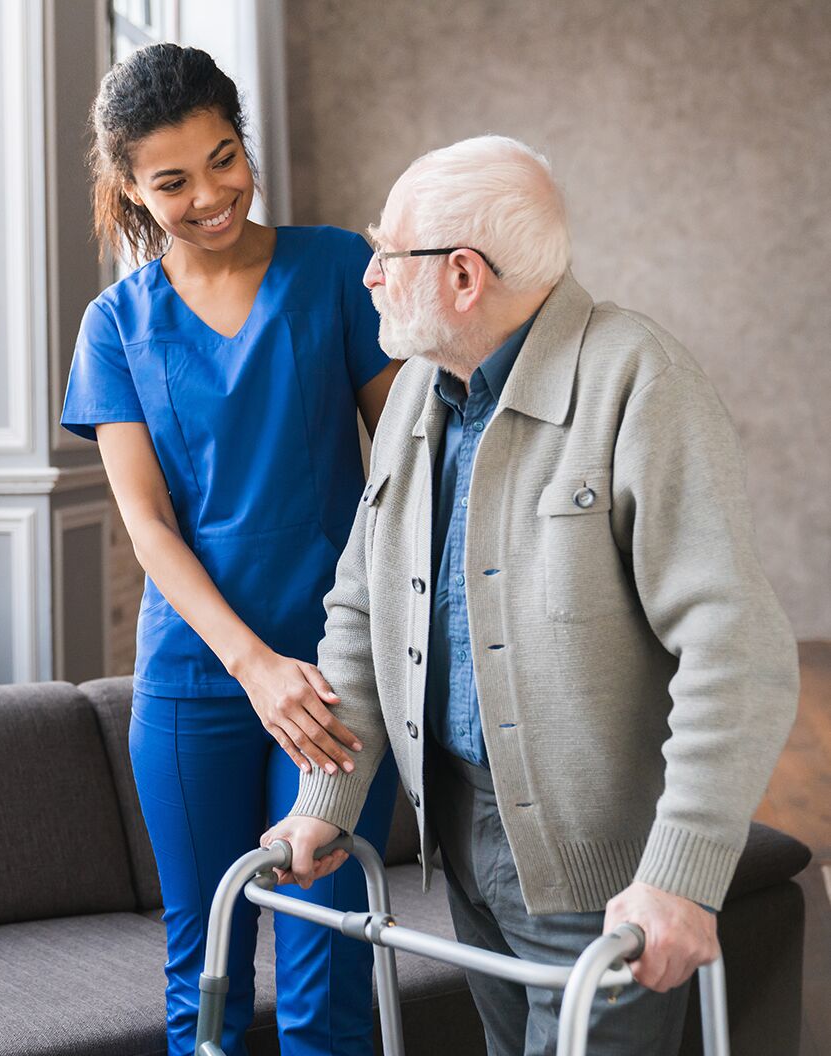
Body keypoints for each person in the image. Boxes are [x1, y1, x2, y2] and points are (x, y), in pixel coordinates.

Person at [262, 135, 799, 1055]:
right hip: (461, 846)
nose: (370, 278)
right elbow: (363, 606)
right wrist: (327, 797)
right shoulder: (417, 398)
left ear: (464, 276)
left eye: (386, 255)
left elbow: (735, 649)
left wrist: (681, 876)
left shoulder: (638, 380)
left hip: (607, 876)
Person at [60, 42, 402, 1056]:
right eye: (172, 180)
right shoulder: (114, 325)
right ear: (128, 185)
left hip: (336, 679)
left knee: (326, 969)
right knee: (201, 970)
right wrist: (252, 668)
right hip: (194, 681)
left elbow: (402, 474)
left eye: (223, 158)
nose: (210, 194)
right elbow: (148, 527)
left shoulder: (337, 268)